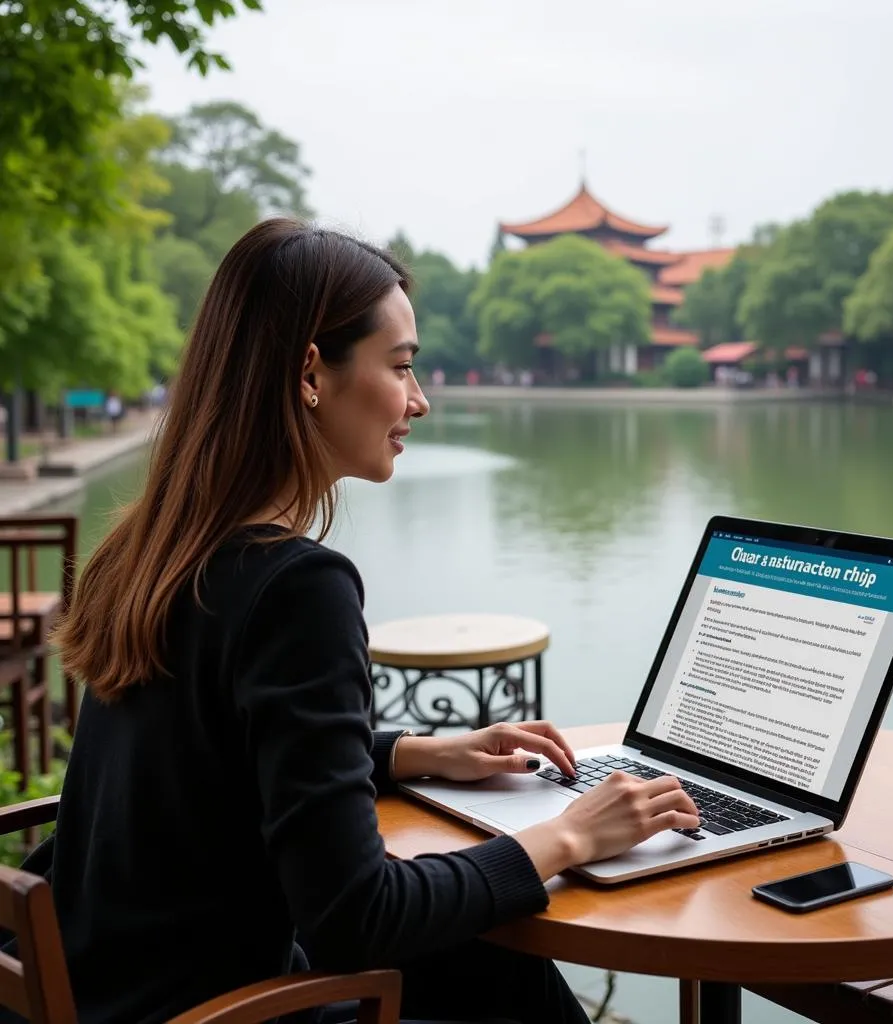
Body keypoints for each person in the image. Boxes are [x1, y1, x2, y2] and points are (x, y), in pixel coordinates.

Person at [36, 219, 699, 1024]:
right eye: (402, 366)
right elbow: (356, 918)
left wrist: (414, 752)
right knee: (509, 980)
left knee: (495, 969)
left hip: (109, 987)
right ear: (311, 372)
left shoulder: (150, 549)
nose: (419, 400)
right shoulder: (297, 587)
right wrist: (568, 837)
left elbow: (218, 755)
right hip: (218, 1009)